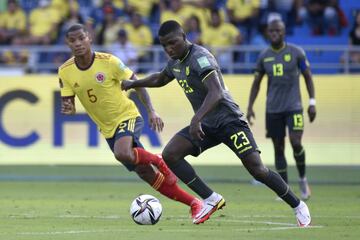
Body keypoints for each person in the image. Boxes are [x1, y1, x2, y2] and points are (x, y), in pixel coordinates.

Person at [121, 20, 312, 227]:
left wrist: (196, 119)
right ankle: (210, 199)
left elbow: (216, 92)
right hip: (208, 125)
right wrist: (134, 83)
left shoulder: (200, 57)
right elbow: (160, 78)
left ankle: (298, 205)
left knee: (257, 170)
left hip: (230, 122)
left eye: (173, 43)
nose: (169, 49)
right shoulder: (175, 62)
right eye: (164, 45)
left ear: (184, 37)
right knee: (170, 154)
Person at [58, 23, 203, 223]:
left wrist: (151, 110)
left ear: (89, 38)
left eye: (81, 38)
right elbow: (68, 104)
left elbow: (138, 84)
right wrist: (68, 109)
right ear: (67, 43)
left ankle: (159, 160)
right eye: (72, 40)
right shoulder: (65, 71)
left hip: (128, 117)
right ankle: (195, 203)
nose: (77, 44)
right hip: (108, 129)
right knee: (145, 173)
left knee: (122, 153)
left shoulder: (109, 62)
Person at [246, 19, 316, 201]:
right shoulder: (264, 56)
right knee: (278, 147)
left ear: (284, 32)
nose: (274, 33)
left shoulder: (296, 53)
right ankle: (284, 188)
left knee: (296, 142)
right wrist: (250, 106)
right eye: (271, 31)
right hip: (273, 110)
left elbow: (308, 77)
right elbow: (256, 84)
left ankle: (302, 179)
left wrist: (312, 102)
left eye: (278, 30)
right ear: (267, 33)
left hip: (294, 108)